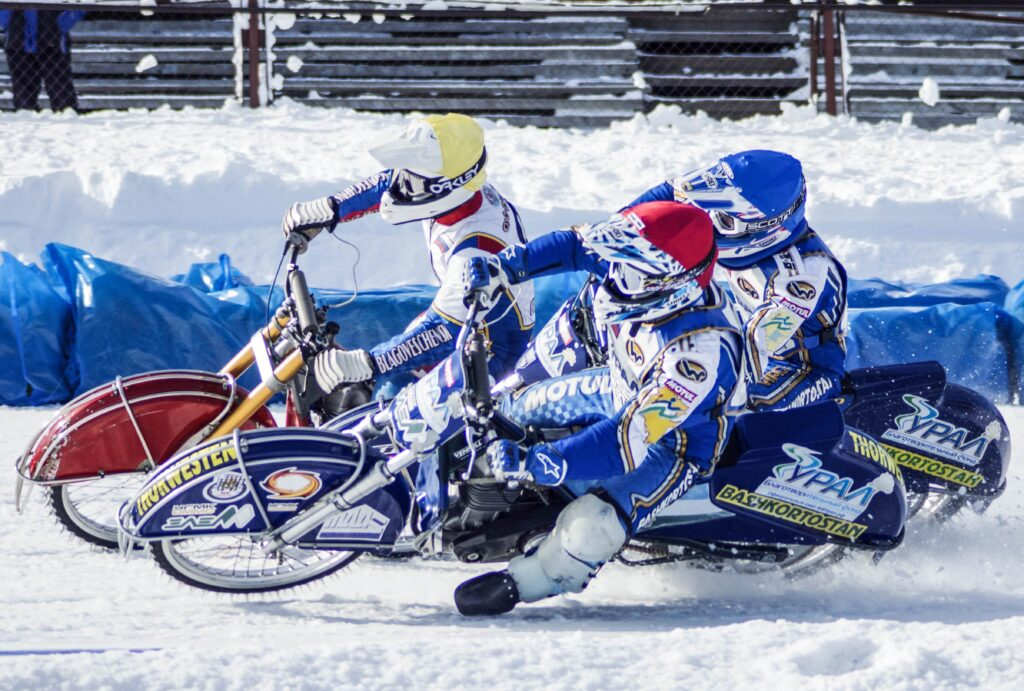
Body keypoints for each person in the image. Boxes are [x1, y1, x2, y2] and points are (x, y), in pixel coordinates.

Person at [454, 201, 742, 615]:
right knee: (511, 406)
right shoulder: (645, 264)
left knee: (592, 526)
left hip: (673, 441)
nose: (614, 274)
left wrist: (541, 462)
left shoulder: (695, 357)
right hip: (617, 386)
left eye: (630, 268)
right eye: (618, 260)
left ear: (671, 282)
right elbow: (575, 244)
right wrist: (505, 266)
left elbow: (626, 440)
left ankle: (525, 581)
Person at [280, 113, 535, 397]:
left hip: (485, 352)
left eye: (410, 180)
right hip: (464, 318)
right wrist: (331, 208)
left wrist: (370, 362)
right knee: (379, 385)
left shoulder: (476, 249)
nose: (400, 186)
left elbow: (442, 331)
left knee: (390, 406)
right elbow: (393, 182)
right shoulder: (465, 188)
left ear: (443, 188)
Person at [624, 150, 847, 412]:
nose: (709, 224)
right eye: (708, 211)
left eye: (723, 220)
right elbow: (670, 194)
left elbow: (754, 345)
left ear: (768, 228)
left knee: (729, 406)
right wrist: (619, 235)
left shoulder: (803, 276)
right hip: (745, 339)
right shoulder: (728, 192)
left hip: (803, 368)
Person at [0, 8, 84, 112]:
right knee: (24, 103)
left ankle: (67, 124)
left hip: (52, 42)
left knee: (63, 99)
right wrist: (5, 19)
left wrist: (63, 22)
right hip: (19, 42)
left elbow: (79, 5)